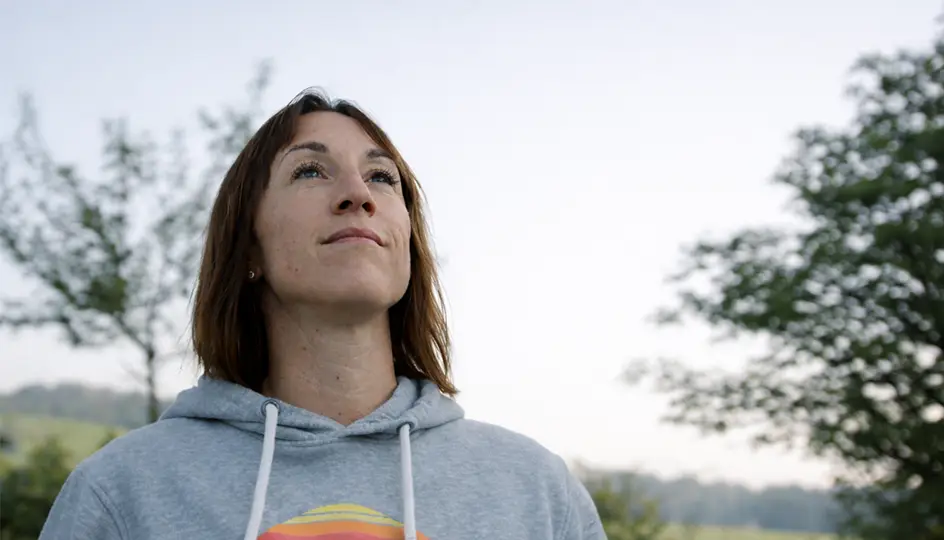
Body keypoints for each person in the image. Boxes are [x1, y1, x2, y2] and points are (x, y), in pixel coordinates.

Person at [39, 90, 606, 540]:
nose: (357, 193)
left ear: (406, 242)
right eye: (310, 171)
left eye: (382, 177)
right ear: (249, 248)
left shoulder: (535, 491)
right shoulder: (124, 491)